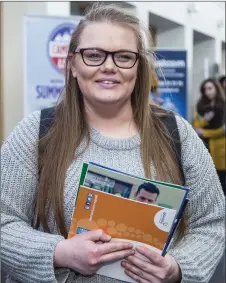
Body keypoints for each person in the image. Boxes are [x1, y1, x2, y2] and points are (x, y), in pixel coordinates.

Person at [1, 3, 225, 283]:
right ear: (71, 65)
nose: (109, 67)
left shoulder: (176, 133)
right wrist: (58, 253)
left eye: (123, 57)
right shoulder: (37, 132)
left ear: (138, 68)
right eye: (93, 55)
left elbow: (212, 222)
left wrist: (178, 268)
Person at [193, 78, 226, 194]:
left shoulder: (223, 105)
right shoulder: (201, 105)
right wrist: (206, 120)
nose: (207, 92)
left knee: (222, 182)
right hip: (204, 147)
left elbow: (223, 130)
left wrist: (205, 132)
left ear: (216, 88)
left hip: (220, 149)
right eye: (205, 89)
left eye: (210, 88)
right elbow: (196, 125)